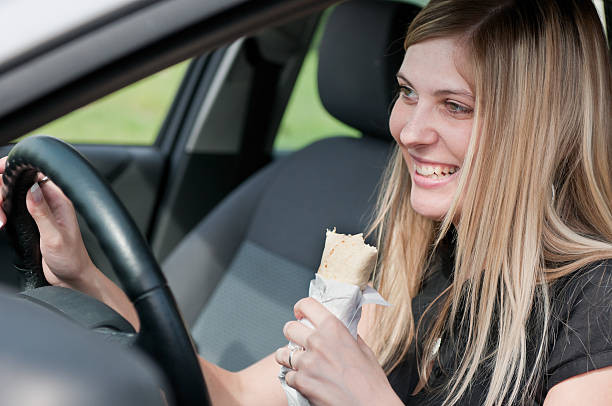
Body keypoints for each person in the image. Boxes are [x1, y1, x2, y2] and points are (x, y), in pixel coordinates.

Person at [1, 0, 611, 404]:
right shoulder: (422, 262)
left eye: (455, 105)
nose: (409, 130)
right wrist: (80, 274)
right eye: (406, 92)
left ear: (538, 129)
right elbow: (234, 395)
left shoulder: (594, 305)